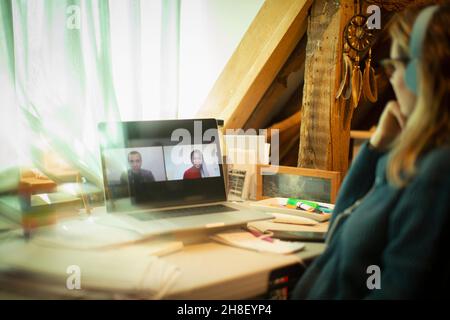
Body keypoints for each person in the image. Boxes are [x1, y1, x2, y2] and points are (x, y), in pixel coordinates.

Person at [292, 4, 450, 299]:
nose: (390, 79)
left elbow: (399, 290)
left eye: (395, 66)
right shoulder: (410, 157)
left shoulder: (437, 171)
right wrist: (376, 146)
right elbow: (338, 229)